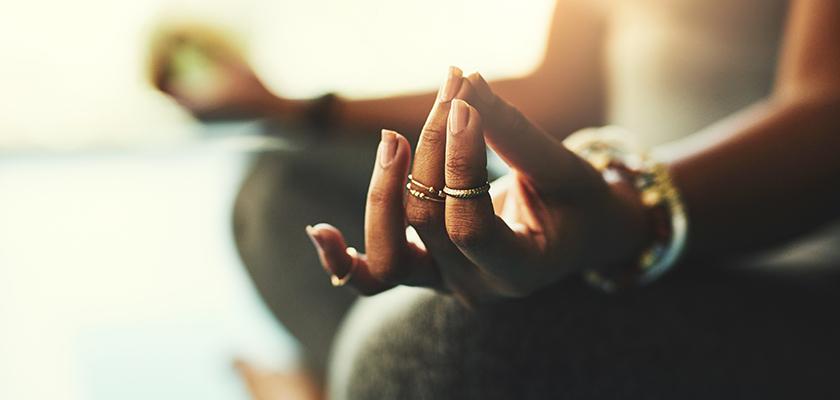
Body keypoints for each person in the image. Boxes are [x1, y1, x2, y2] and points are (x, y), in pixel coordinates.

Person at [156, 0, 840, 398]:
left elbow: (828, 117)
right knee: (281, 188)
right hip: (612, 214)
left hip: (783, 268)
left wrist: (623, 215)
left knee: (439, 344)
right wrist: (299, 109)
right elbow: (559, 95)